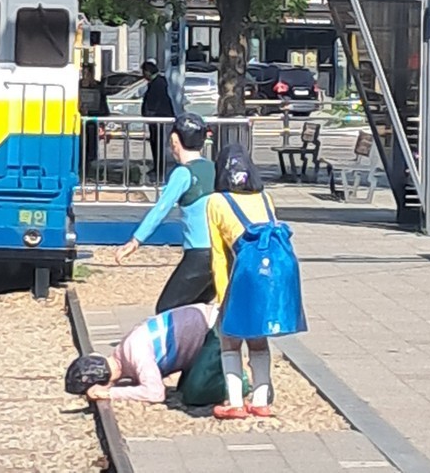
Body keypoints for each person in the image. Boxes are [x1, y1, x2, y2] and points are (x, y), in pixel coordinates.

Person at [206, 143, 307, 420]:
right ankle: (261, 400)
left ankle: (235, 403)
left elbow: (219, 255)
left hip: (248, 268)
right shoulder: (265, 197)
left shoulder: (216, 202)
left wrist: (222, 298)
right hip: (279, 267)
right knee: (258, 334)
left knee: (230, 337)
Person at [115, 113, 216, 313]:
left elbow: (161, 209)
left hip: (198, 253)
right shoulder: (213, 168)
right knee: (198, 308)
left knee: (167, 308)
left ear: (174, 141)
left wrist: (136, 240)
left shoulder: (183, 173)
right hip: (220, 251)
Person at [64, 303, 217, 403]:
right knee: (184, 389)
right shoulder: (125, 349)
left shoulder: (136, 354)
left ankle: (231, 387)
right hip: (203, 323)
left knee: (195, 395)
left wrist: (110, 393)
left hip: (214, 331)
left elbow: (155, 393)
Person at [140, 60, 175, 182]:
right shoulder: (156, 83)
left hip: (158, 119)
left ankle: (159, 169)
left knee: (158, 144)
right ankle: (157, 167)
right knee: (155, 144)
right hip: (154, 119)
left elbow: (156, 102)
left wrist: (150, 113)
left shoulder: (158, 83)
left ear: (147, 72)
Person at [78, 64, 109, 169]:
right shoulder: (76, 85)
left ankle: (88, 165)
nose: (85, 76)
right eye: (83, 73)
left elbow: (103, 107)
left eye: (88, 73)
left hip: (92, 122)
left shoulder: (98, 87)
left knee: (90, 148)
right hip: (78, 122)